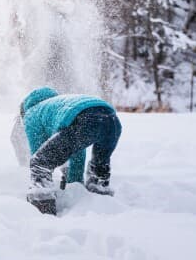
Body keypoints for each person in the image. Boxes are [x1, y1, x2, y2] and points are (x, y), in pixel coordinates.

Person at [11, 87, 122, 215]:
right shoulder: (60, 104)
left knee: (40, 163)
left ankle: (42, 207)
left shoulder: (32, 113)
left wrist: (72, 184)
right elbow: (75, 152)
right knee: (99, 167)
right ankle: (102, 202)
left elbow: (40, 151)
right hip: (112, 120)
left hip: (85, 119)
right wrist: (74, 181)